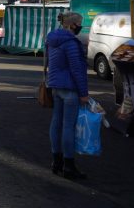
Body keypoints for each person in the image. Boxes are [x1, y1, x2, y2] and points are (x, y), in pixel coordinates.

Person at [46, 11, 89, 180]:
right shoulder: (71, 43)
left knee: (56, 124)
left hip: (55, 85)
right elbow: (77, 70)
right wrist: (84, 93)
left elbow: (49, 61)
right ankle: (69, 166)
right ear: (72, 25)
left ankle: (56, 162)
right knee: (68, 127)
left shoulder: (51, 38)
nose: (80, 27)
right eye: (79, 23)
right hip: (70, 88)